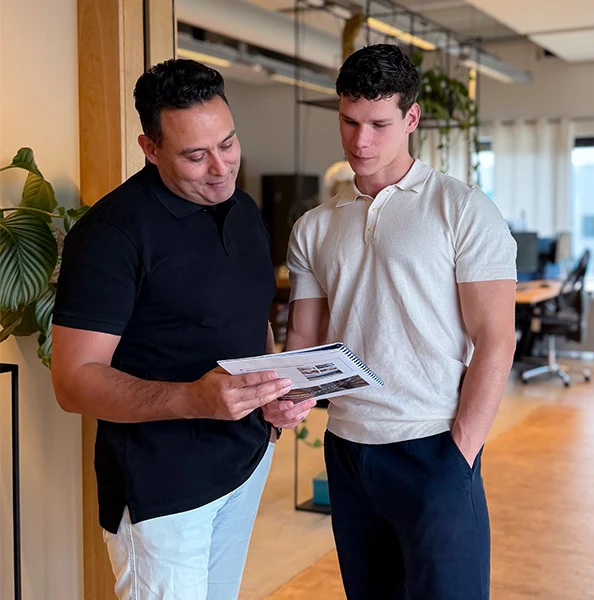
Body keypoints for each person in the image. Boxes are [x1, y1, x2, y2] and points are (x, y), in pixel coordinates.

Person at [50, 59, 315, 600]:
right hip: (163, 491)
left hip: (243, 463)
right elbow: (72, 382)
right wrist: (195, 399)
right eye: (195, 155)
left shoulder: (242, 209)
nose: (220, 167)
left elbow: (249, 316)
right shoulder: (111, 236)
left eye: (228, 143)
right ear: (150, 149)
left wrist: (273, 394)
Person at [284, 44, 518, 600]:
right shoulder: (314, 228)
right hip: (346, 448)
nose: (360, 140)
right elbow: (304, 339)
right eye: (348, 121)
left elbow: (496, 340)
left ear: (411, 119)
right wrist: (285, 397)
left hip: (433, 445)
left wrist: (459, 454)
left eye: (379, 124)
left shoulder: (461, 209)